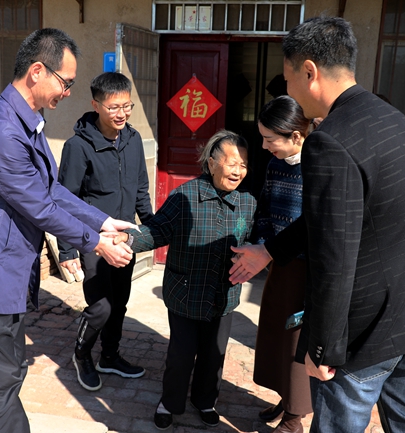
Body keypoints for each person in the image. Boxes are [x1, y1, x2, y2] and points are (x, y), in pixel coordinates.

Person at [229, 16, 405, 433]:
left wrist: (322, 347)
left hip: (368, 333)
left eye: (288, 78)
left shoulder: (331, 141)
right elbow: (326, 219)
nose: (288, 90)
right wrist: (269, 250)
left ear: (309, 72)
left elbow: (334, 255)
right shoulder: (392, 119)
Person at [0, 29, 137, 433]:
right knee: (0, 390)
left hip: (2, 275)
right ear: (37, 71)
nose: (68, 92)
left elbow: (50, 189)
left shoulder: (27, 122)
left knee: (6, 380)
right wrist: (97, 243)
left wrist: (101, 220)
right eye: (66, 82)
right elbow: (39, 207)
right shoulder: (2, 130)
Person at [114, 130, 256, 430]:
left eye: (243, 165)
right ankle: (170, 402)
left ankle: (205, 401)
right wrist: (129, 239)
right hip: (186, 291)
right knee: (181, 355)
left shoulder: (248, 201)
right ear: (212, 162)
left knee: (214, 355)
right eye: (232, 163)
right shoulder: (185, 196)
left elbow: (253, 241)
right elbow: (158, 230)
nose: (238, 171)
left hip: (224, 293)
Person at [57, 72, 154, 392]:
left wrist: (152, 228)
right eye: (114, 107)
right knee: (101, 306)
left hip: (125, 237)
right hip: (93, 239)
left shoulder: (133, 139)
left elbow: (141, 189)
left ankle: (109, 356)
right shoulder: (77, 147)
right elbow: (64, 199)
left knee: (120, 302)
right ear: (96, 105)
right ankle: (82, 354)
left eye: (127, 106)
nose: (122, 113)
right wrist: (67, 249)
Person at [252, 95, 312, 433]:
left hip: (304, 269)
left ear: (296, 136)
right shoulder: (275, 163)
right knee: (275, 333)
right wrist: (263, 245)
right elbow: (264, 206)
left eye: (270, 139)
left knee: (295, 340)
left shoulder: (317, 166)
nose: (264, 146)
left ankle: (294, 418)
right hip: (277, 260)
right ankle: (286, 398)